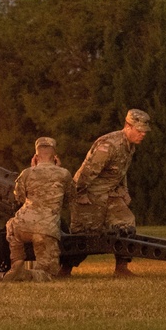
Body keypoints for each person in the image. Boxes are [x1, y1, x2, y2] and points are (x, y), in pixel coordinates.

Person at [66, 108, 151, 278]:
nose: (143, 135)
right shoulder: (110, 145)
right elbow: (88, 172)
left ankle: (121, 268)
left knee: (126, 224)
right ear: (128, 126)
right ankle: (64, 270)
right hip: (89, 192)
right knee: (83, 235)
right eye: (139, 131)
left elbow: (121, 171)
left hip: (110, 193)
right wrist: (80, 194)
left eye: (144, 131)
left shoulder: (129, 146)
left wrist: (124, 191)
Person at [2, 137, 75, 282]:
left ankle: (16, 263)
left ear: (35, 157)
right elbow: (70, 197)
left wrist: (32, 169)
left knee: (11, 225)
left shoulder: (26, 173)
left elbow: (20, 198)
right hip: (45, 229)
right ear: (55, 157)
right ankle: (28, 274)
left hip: (22, 225)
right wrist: (58, 169)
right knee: (49, 273)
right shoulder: (64, 174)